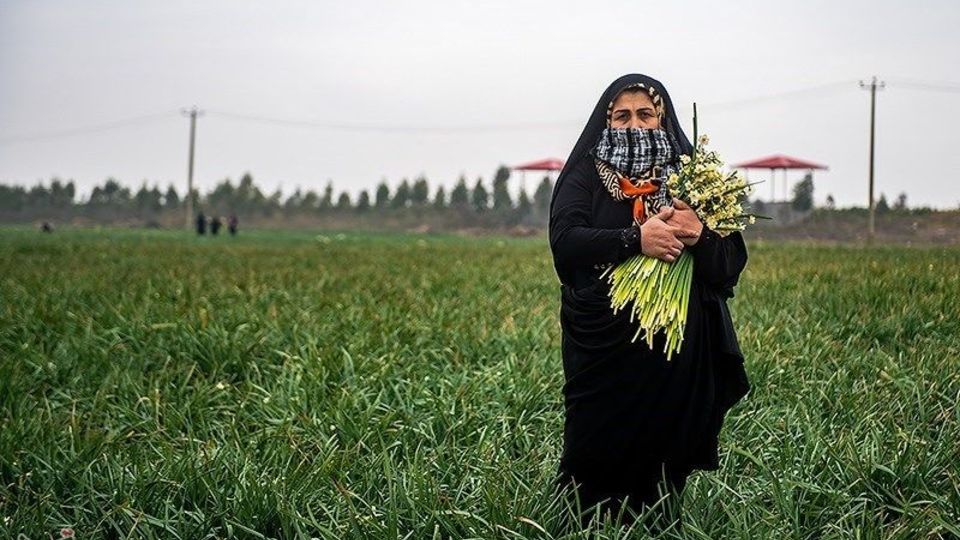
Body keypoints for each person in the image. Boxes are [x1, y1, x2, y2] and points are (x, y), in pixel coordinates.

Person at [548, 73, 751, 533]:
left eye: (645, 113)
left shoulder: (693, 177)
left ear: (663, 119)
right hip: (602, 337)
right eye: (622, 116)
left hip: (676, 343)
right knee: (593, 444)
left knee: (665, 448)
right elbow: (566, 241)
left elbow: (729, 263)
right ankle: (581, 522)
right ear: (607, 121)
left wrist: (699, 234)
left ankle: (660, 521)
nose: (634, 124)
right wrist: (635, 238)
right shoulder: (586, 174)